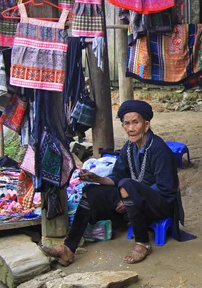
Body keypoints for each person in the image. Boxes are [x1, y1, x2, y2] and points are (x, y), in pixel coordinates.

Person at [41, 99, 189, 265]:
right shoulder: (128, 148)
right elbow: (118, 175)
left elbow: (166, 189)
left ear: (146, 125)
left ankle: (142, 243)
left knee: (127, 185)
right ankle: (68, 249)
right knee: (91, 192)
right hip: (134, 199)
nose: (131, 128)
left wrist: (132, 197)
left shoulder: (159, 149)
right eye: (126, 124)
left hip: (161, 205)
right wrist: (97, 179)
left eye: (135, 123)